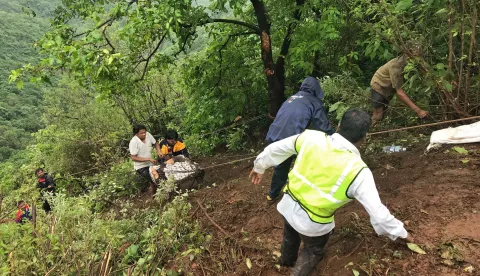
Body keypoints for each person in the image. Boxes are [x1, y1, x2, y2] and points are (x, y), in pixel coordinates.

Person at [249, 109, 413, 276]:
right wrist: (401, 233)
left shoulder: (310, 137)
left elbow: (276, 149)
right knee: (313, 251)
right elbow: (378, 214)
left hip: (287, 205)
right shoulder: (359, 171)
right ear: (364, 138)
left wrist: (259, 166)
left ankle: (286, 262)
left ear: (339, 126)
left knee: (290, 234)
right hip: (313, 226)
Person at [265, 76, 333, 202]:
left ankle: (272, 195)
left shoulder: (291, 98)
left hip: (275, 135)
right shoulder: (314, 101)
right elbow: (323, 127)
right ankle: (303, 192)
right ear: (316, 89)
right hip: (292, 138)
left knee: (281, 166)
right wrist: (333, 138)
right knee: (306, 161)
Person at [370, 43, 428, 122]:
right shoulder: (396, 67)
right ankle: (369, 132)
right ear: (407, 54)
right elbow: (400, 93)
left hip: (388, 87)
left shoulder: (409, 63)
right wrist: (418, 111)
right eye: (416, 56)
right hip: (379, 85)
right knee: (378, 115)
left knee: (383, 113)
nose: (418, 58)